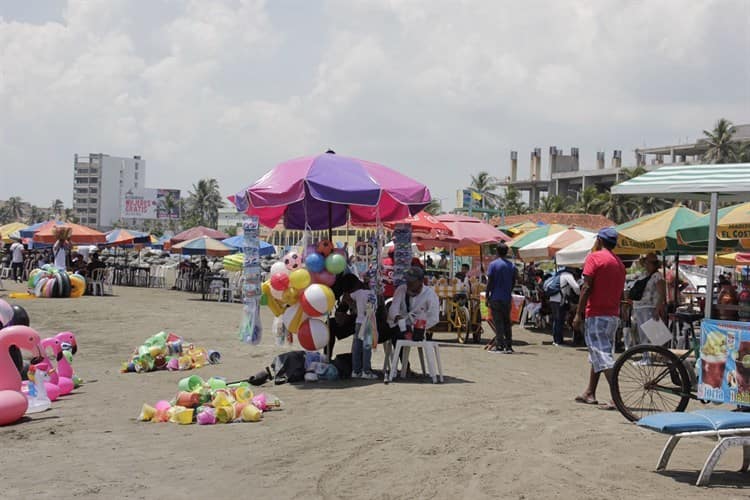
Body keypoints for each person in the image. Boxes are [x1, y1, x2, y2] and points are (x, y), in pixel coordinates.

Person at [573, 227, 626, 409]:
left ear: (600, 241)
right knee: (599, 353)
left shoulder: (594, 258)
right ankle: (590, 391)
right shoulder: (618, 263)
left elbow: (586, 287)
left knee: (602, 355)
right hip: (612, 314)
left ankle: (616, 398)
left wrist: (578, 313)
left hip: (596, 313)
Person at [387, 266, 440, 374]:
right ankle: (405, 366)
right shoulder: (401, 289)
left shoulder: (430, 294)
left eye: (412, 281)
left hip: (418, 329)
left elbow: (434, 317)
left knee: (403, 334)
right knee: (395, 334)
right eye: (407, 281)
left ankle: (405, 367)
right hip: (400, 326)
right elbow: (394, 307)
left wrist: (418, 327)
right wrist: (397, 317)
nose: (409, 284)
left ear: (420, 282)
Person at [343, 276, 377, 379]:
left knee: (357, 347)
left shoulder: (358, 293)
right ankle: (366, 371)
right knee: (366, 348)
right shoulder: (374, 294)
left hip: (359, 321)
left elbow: (346, 297)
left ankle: (356, 370)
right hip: (369, 322)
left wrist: (353, 306)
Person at [486, 242, 518, 353]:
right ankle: (509, 346)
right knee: (507, 322)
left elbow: (489, 282)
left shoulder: (493, 265)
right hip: (506, 297)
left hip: (495, 297)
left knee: (498, 322)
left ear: (497, 252)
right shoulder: (512, 266)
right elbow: (514, 281)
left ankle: (499, 345)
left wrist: (487, 296)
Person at [631, 252, 666, 346]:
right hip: (639, 307)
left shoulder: (657, 276)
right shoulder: (643, 274)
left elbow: (662, 294)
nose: (646, 264)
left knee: (653, 335)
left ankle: (652, 356)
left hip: (650, 307)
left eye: (648, 262)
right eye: (645, 262)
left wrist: (657, 309)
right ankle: (645, 356)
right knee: (642, 333)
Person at [548, 266, 580, 346]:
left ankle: (556, 340)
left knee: (556, 320)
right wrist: (580, 294)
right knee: (559, 320)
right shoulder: (567, 275)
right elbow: (576, 287)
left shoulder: (558, 274)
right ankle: (558, 341)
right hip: (559, 300)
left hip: (553, 298)